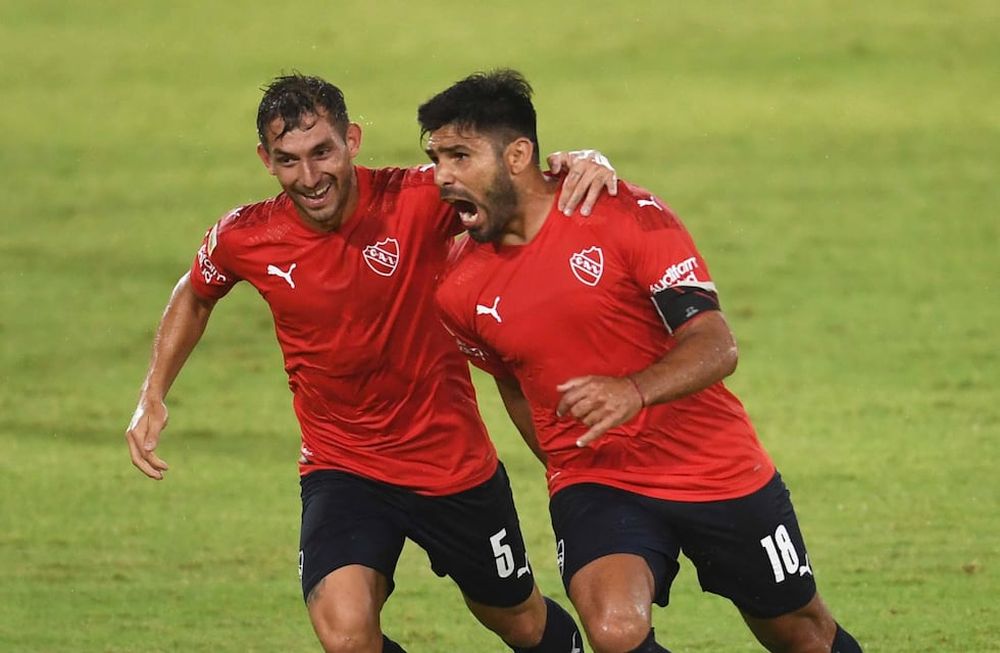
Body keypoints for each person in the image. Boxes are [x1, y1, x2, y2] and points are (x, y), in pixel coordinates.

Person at [125, 73, 617, 653]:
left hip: (450, 466)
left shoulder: (419, 198)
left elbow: (514, 185)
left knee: (522, 624)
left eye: (322, 152)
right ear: (265, 160)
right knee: (345, 635)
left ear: (352, 140)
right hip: (343, 466)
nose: (309, 177)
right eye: (288, 161)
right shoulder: (246, 236)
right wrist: (153, 392)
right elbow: (196, 291)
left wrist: (584, 160)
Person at [423, 69, 863, 653]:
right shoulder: (459, 287)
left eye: (459, 156)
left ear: (518, 156)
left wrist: (632, 391)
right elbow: (513, 384)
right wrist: (562, 467)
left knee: (803, 635)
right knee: (615, 631)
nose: (442, 176)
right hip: (597, 477)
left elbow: (716, 343)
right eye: (435, 158)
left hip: (712, 462)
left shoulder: (626, 214)